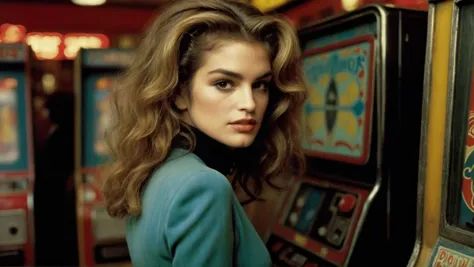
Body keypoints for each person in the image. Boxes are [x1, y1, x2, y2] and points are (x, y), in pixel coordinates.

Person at [102, 0, 307, 266]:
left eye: (260, 85)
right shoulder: (203, 186)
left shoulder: (157, 168)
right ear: (178, 93)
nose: (249, 103)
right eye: (224, 84)